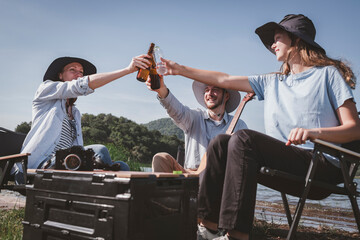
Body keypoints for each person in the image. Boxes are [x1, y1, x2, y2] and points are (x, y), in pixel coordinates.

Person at [161, 14, 360, 240]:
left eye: (277, 38)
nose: (273, 45)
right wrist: (179, 69)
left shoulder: (328, 75)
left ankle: (236, 236)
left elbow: (354, 129)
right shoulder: (273, 81)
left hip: (320, 165)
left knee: (243, 139)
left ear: (296, 40)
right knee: (220, 143)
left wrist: (314, 133)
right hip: (286, 163)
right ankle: (207, 228)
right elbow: (224, 79)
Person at [13, 55, 150, 183]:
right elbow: (79, 86)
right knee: (92, 155)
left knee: (121, 165)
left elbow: (77, 147)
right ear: (60, 75)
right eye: (72, 70)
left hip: (70, 163)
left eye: (81, 72)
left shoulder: (75, 113)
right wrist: (128, 70)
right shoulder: (45, 90)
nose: (78, 75)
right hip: (39, 166)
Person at [144, 73, 247, 173]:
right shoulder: (194, 117)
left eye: (215, 90)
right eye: (207, 90)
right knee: (161, 158)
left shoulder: (239, 125)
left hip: (220, 178)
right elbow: (177, 111)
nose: (209, 94)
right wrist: (161, 89)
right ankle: (167, 189)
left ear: (226, 96)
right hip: (190, 175)